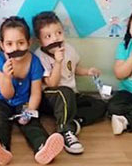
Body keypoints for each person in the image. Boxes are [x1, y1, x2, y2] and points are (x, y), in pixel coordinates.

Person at [0, 17, 65, 166]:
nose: (15, 48)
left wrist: (29, 111)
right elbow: (7, 94)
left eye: (20, 43)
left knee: (33, 124)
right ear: (2, 45)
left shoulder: (34, 62)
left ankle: (42, 146)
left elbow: (36, 93)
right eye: (9, 44)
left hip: (24, 101)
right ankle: (2, 147)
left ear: (29, 42)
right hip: (0, 100)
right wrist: (7, 78)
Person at [32, 10, 107, 155]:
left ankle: (74, 122)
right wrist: (57, 62)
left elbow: (73, 68)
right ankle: (65, 130)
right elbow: (52, 83)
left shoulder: (69, 49)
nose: (55, 38)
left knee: (100, 105)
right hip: (50, 97)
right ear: (40, 40)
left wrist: (87, 71)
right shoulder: (39, 56)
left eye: (59, 33)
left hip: (71, 95)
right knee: (64, 92)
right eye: (48, 36)